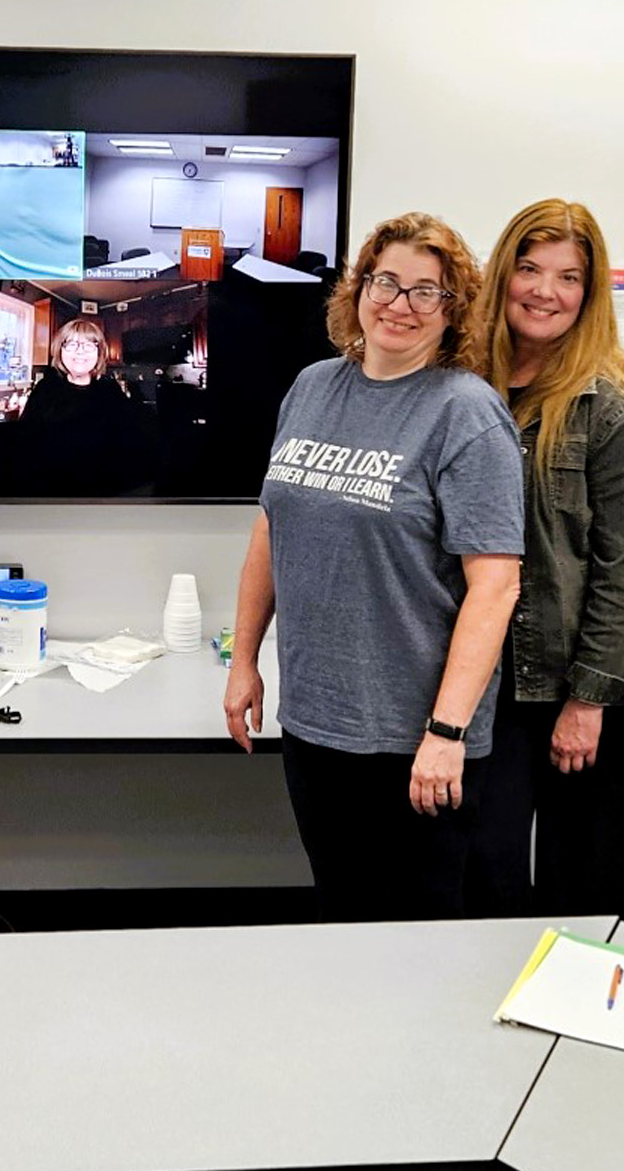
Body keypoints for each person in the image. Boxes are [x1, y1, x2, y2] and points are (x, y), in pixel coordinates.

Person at [222, 213, 523, 919]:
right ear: (358, 288)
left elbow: (496, 585)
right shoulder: (314, 388)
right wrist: (243, 660)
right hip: (316, 723)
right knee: (342, 914)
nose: (400, 304)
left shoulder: (466, 415)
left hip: (412, 740)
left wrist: (446, 733)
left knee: (413, 938)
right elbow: (272, 526)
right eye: (386, 281)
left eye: (428, 292)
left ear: (453, 313)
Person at [459, 201, 624, 919]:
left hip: (584, 688)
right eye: (530, 269)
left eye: (569, 277)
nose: (546, 291)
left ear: (590, 292)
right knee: (485, 875)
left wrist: (588, 700)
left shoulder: (610, 410)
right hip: (490, 682)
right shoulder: (462, 390)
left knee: (581, 888)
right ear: (501, 276)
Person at [15, 316, 146, 489]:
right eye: (71, 344)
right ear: (59, 350)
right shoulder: (45, 390)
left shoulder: (110, 391)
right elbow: (24, 448)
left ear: (99, 353)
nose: (80, 352)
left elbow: (131, 446)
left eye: (89, 345)